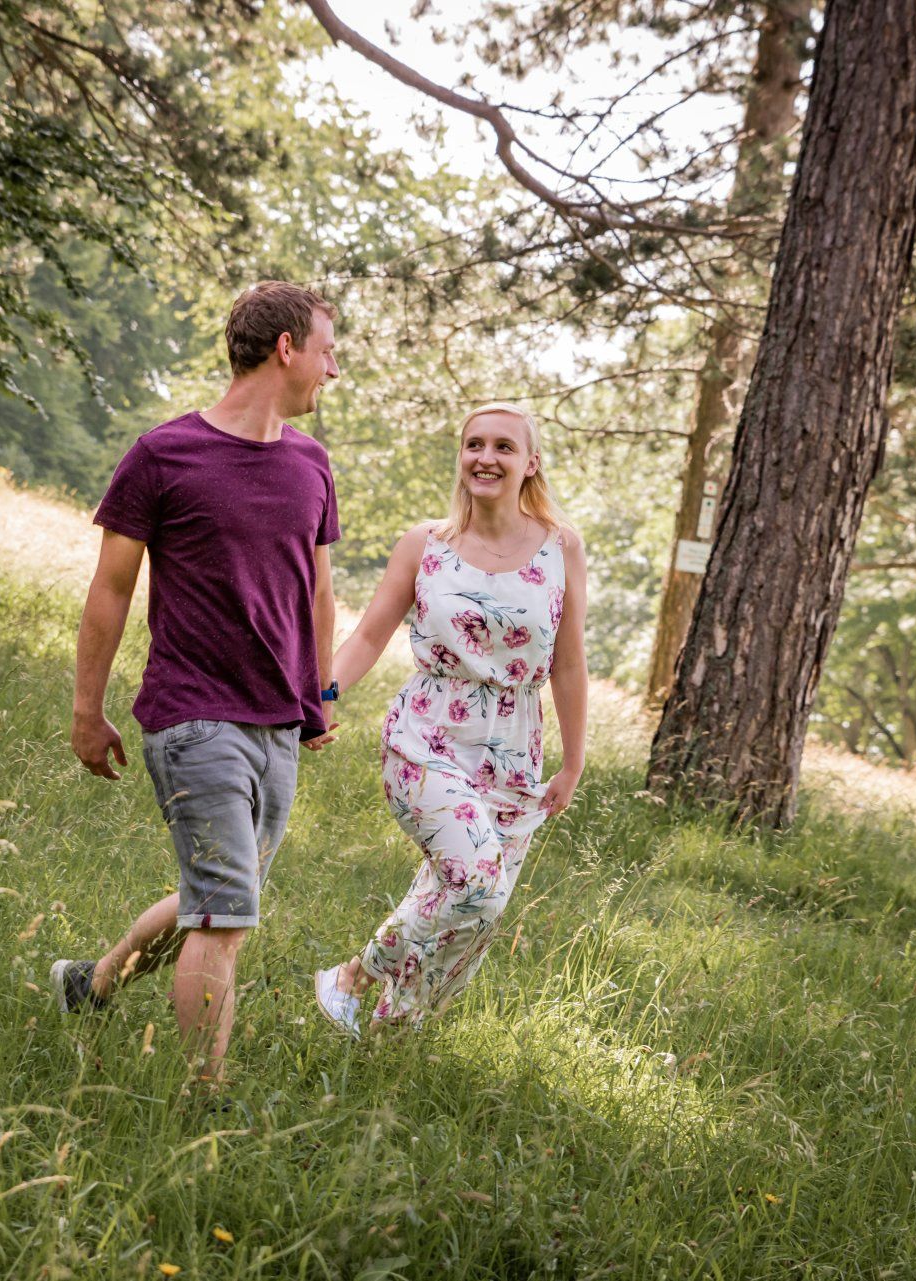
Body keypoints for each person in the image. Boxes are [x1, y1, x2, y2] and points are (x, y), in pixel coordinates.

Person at [52, 281, 342, 1089]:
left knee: (216, 899)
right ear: (286, 348)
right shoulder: (164, 454)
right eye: (327, 351)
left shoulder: (312, 464)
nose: (333, 369)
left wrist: (321, 697)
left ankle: (91, 983)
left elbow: (319, 591)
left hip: (278, 724)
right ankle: (199, 1106)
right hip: (193, 717)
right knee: (226, 915)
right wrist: (86, 710)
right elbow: (110, 589)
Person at [312, 401, 588, 1036]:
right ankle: (352, 977)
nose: (485, 458)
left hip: (515, 751)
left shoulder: (562, 547)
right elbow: (369, 635)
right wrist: (320, 698)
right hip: (427, 737)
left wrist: (573, 762)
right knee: (476, 884)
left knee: (476, 910)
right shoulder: (425, 544)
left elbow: (570, 663)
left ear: (531, 463)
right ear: (461, 456)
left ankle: (390, 1037)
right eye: (474, 445)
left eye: (503, 447)